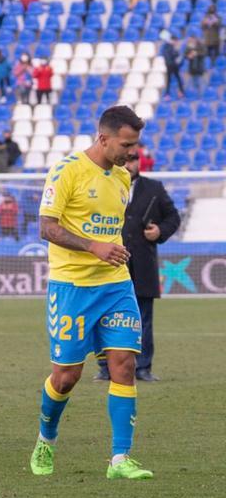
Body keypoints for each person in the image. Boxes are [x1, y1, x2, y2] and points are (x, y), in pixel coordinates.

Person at [30, 106, 153, 480]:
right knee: (67, 376)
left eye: (135, 145)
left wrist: (111, 251)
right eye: (126, 144)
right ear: (103, 138)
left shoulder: (122, 178)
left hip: (115, 285)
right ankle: (45, 441)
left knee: (125, 365)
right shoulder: (67, 171)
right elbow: (46, 228)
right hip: (71, 287)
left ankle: (120, 459)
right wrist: (93, 246)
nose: (132, 153)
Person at [95, 153, 180, 382]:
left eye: (134, 160)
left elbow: (173, 217)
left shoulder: (154, 188)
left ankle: (143, 368)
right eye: (127, 159)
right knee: (106, 317)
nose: (129, 163)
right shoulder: (103, 183)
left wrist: (159, 231)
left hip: (143, 263)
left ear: (139, 162)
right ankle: (105, 367)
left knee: (143, 318)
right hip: (110, 263)